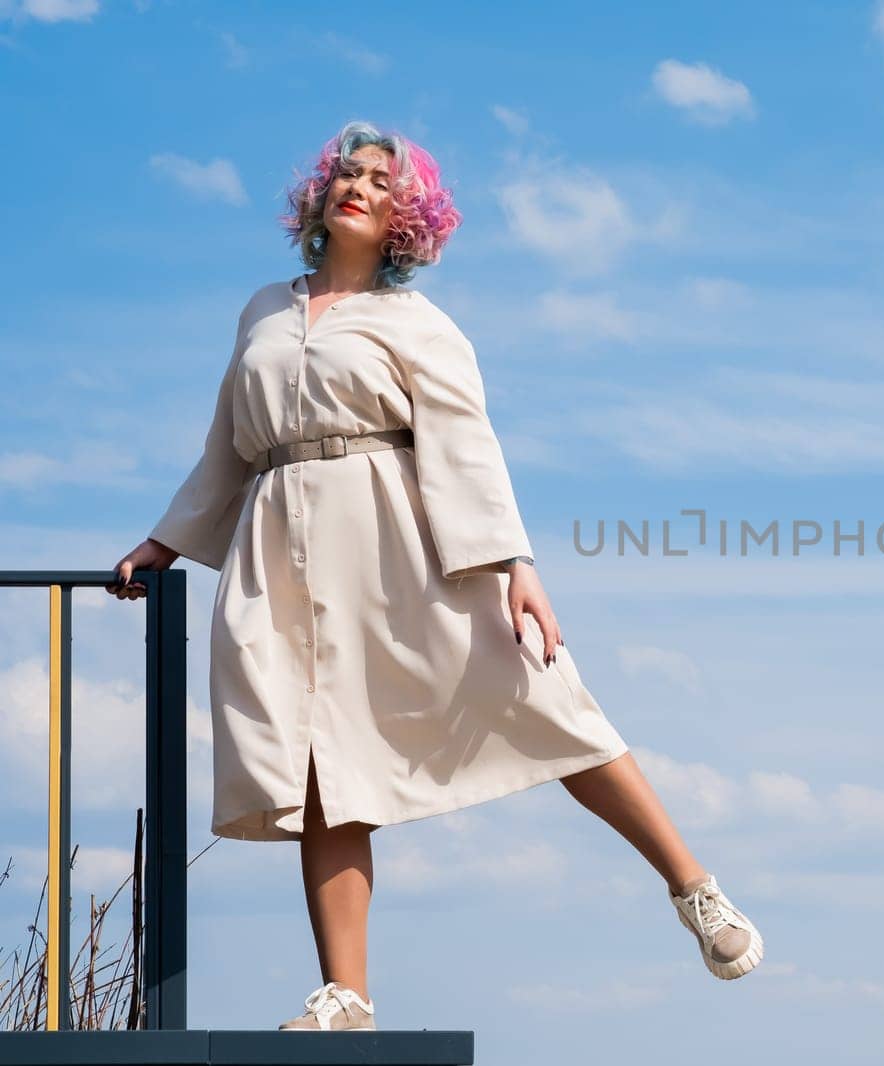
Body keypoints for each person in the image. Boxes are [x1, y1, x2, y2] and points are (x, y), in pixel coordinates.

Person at [105, 120, 763, 1031]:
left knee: (541, 693)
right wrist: (164, 543)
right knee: (319, 765)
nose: (358, 185)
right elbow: (226, 447)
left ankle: (692, 886)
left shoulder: (418, 322)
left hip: (397, 545)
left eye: (381, 180)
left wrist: (516, 566)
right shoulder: (261, 309)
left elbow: (466, 449)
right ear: (319, 198)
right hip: (279, 551)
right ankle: (348, 996)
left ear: (406, 218)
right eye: (347, 172)